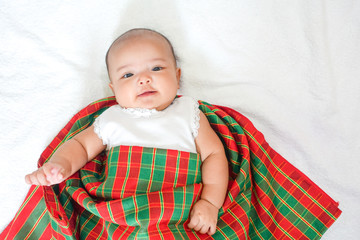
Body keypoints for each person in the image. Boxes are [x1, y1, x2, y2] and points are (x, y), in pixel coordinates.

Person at [25, 28, 229, 236]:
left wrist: (210, 202)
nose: (144, 79)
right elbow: (82, 146)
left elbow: (214, 155)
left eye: (157, 68)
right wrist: (61, 164)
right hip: (122, 213)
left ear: (177, 77)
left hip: (176, 213)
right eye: (128, 74)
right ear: (114, 90)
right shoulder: (112, 118)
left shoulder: (188, 113)